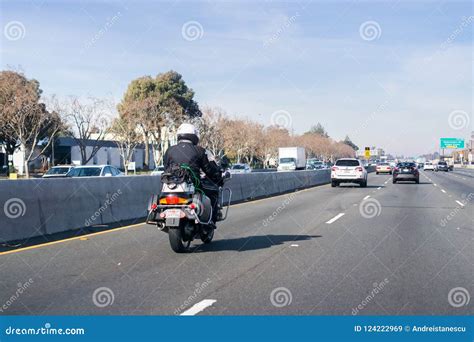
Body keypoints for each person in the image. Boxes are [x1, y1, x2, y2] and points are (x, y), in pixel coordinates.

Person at [162, 123, 223, 224]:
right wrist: (217, 176)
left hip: (170, 183)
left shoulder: (169, 150)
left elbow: (166, 167)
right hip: (194, 183)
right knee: (212, 192)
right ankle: (211, 221)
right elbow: (209, 169)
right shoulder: (199, 150)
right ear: (194, 136)